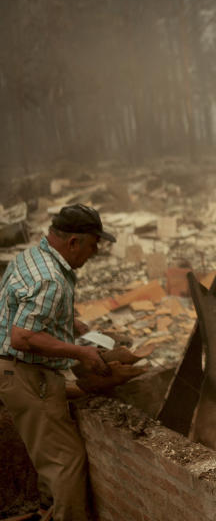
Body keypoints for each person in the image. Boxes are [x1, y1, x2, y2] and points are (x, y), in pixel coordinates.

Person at [0, 204, 114, 521]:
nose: (93, 254)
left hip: (12, 368)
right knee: (67, 460)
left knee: (49, 451)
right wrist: (81, 352)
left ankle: (46, 510)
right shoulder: (51, 279)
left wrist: (69, 322)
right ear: (73, 242)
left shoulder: (32, 257)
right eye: (92, 245)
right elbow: (22, 336)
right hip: (25, 372)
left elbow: (20, 305)